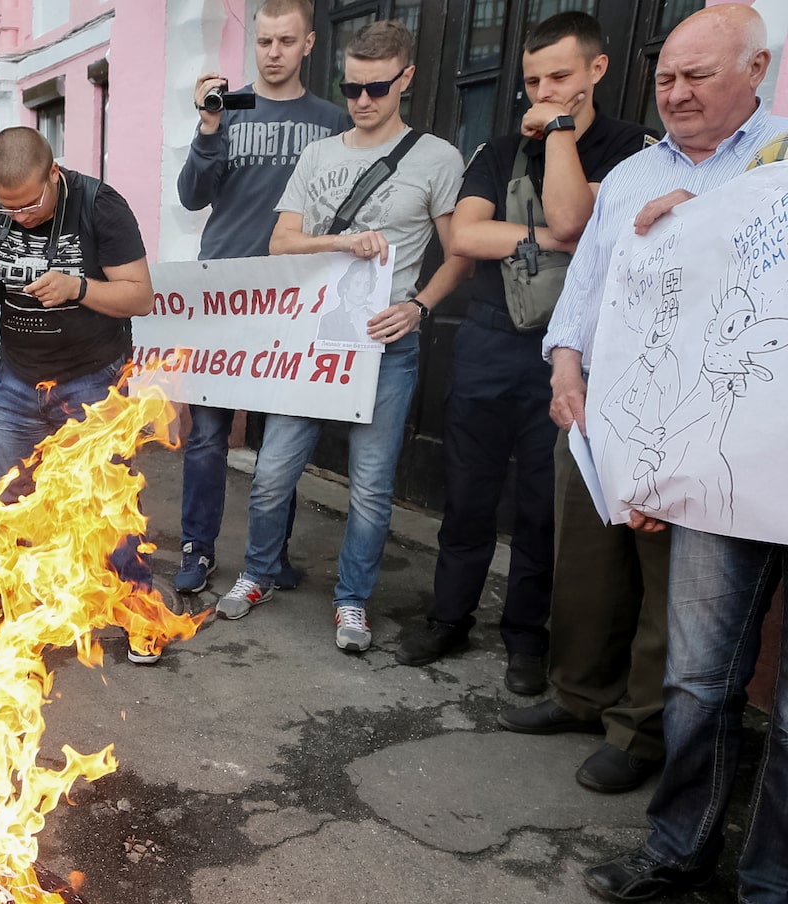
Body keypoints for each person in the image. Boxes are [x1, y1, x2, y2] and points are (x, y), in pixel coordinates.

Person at [546, 8, 788, 904]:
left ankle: (772, 901)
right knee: (697, 676)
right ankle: (679, 846)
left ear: (757, 69)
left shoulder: (779, 163)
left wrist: (720, 226)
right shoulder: (636, 176)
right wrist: (568, 365)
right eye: (667, 79)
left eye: (699, 77)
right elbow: (589, 290)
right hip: (713, 466)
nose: (677, 94)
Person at [397, 11, 652, 699]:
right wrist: (553, 237)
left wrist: (561, 136)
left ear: (597, 70)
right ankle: (448, 617)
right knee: (467, 495)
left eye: (559, 77)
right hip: (486, 338)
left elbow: (574, 215)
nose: (543, 92)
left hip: (570, 352)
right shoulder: (499, 148)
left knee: (543, 507)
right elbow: (466, 238)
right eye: (534, 81)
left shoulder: (631, 149)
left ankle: (525, 638)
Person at [213, 20, 470, 655]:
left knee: (372, 487)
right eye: (351, 87)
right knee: (272, 474)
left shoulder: (436, 157)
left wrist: (419, 306)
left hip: (385, 345)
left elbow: (461, 251)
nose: (361, 100)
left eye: (376, 88)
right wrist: (343, 241)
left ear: (406, 80)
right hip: (311, 341)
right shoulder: (320, 154)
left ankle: (352, 600)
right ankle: (258, 573)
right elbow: (281, 242)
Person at [0, 128, 156, 656]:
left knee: (107, 501)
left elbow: (141, 297)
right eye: (7, 206)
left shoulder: (100, 205)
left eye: (29, 204)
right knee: (7, 499)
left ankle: (141, 613)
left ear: (54, 175)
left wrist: (77, 287)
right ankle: (14, 611)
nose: (18, 216)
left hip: (92, 379)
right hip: (17, 379)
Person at [175, 0, 345, 597]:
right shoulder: (226, 110)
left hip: (296, 299)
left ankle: (270, 555)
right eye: (264, 41)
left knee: (282, 438)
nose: (273, 53)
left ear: (309, 44)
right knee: (207, 434)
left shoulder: (332, 120)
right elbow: (192, 196)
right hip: (223, 296)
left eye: (286, 41)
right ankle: (196, 549)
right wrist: (208, 127)